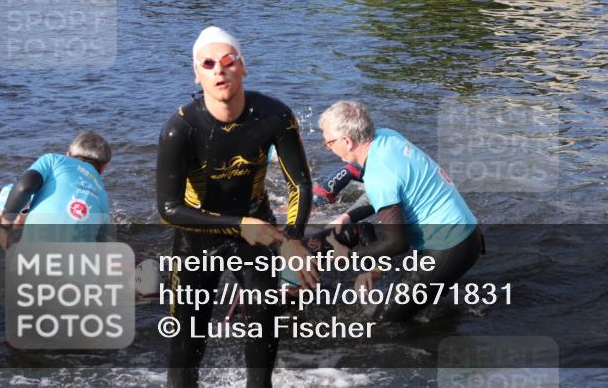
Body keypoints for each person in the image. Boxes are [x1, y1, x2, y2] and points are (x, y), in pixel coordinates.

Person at [156, 26, 317, 388]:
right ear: (196, 73)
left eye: (228, 60)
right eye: (208, 63)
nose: (219, 69)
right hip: (197, 237)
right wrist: (239, 223)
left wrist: (292, 239)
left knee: (264, 319)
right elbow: (168, 208)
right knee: (186, 343)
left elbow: (300, 184)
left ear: (243, 67)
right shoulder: (180, 128)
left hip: (256, 234)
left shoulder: (274, 116)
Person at [319, 101, 482, 322]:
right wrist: (347, 216)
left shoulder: (379, 174)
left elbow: (396, 243)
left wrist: (349, 259)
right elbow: (388, 190)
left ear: (347, 141)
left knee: (384, 320)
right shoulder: (386, 138)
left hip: (449, 246)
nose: (327, 147)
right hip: (465, 233)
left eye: (328, 142)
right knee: (421, 311)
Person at [0, 131, 112, 245]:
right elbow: (101, 242)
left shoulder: (53, 160)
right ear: (104, 166)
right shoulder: (102, 194)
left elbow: (23, 187)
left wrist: (4, 226)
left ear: (68, 153)